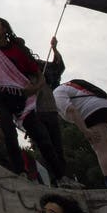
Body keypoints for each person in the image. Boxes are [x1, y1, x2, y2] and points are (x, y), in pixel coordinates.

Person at [0, 17, 73, 187]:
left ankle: (61, 177)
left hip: (22, 97)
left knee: (42, 136)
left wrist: (35, 89)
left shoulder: (18, 50)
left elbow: (39, 75)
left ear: (5, 28)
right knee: (9, 133)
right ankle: (20, 172)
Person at [53, 79, 107, 187]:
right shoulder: (72, 85)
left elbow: (71, 110)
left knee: (102, 149)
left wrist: (85, 131)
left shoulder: (56, 93)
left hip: (94, 111)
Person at [34, 36, 67, 180]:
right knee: (44, 147)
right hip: (34, 111)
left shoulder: (39, 66)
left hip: (49, 108)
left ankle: (64, 176)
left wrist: (54, 48)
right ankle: (52, 179)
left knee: (57, 146)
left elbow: (58, 65)